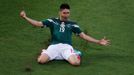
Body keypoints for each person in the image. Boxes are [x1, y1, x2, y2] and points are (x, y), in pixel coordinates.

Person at [20, 3, 110, 66]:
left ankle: (76, 53)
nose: (66, 15)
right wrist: (25, 17)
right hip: (54, 46)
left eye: (68, 13)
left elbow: (83, 36)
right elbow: (37, 23)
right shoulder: (52, 21)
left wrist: (98, 41)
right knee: (40, 61)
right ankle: (47, 52)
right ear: (59, 12)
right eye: (64, 13)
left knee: (76, 63)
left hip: (66, 47)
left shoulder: (73, 24)